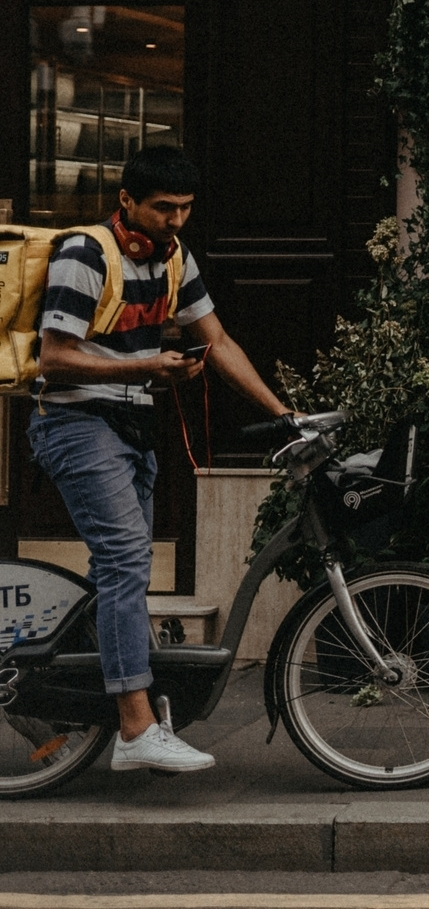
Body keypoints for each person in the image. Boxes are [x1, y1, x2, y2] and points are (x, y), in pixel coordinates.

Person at [29, 146, 294, 775]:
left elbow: (219, 340)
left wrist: (286, 416)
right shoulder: (86, 255)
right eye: (163, 209)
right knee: (124, 559)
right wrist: (147, 364)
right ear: (127, 202)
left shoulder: (175, 257)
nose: (176, 221)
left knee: (123, 569)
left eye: (186, 209)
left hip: (131, 425)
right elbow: (54, 357)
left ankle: (102, 695)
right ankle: (134, 726)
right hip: (74, 422)